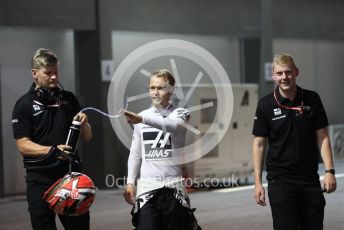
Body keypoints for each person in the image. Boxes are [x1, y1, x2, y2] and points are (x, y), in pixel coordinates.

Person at [252, 53, 337, 230]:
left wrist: (330, 171)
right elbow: (259, 144)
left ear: (296, 72)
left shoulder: (312, 99)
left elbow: (323, 137)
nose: (285, 77)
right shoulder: (265, 104)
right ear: (274, 75)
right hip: (280, 181)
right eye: (280, 73)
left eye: (288, 72)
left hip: (309, 180)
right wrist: (258, 183)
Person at [12, 48, 92, 230]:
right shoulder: (23, 105)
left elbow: (87, 137)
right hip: (40, 180)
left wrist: (86, 123)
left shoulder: (69, 99)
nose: (54, 77)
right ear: (35, 73)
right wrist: (53, 150)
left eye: (56, 72)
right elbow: (23, 145)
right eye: (48, 73)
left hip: (70, 177)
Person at [122, 69, 201, 230]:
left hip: (173, 190)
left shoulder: (181, 114)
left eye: (160, 88)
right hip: (147, 190)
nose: (155, 92)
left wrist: (142, 119)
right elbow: (136, 153)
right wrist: (130, 182)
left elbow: (172, 126)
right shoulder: (141, 116)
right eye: (152, 88)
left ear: (171, 90)